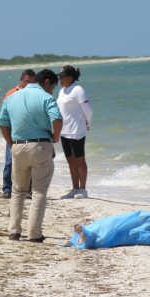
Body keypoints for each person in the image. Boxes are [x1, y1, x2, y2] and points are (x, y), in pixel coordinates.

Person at [0, 69, 62, 243]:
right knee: (39, 191)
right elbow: (57, 119)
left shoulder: (12, 96)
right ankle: (34, 233)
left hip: (18, 146)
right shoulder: (46, 98)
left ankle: (14, 231)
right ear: (47, 82)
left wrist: (11, 143)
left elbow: (2, 124)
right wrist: (55, 137)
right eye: (53, 87)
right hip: (40, 145)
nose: (52, 91)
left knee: (18, 190)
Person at [57, 65, 93, 200]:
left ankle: (83, 190)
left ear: (70, 78)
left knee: (79, 160)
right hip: (64, 131)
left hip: (77, 131)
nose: (59, 79)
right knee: (70, 161)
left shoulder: (78, 90)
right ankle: (74, 188)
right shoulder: (62, 91)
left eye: (61, 77)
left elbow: (88, 110)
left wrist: (88, 123)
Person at [2, 69, 36, 199]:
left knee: (30, 162)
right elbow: (4, 115)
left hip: (30, 132)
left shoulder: (36, 94)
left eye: (32, 82)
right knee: (10, 162)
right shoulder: (11, 93)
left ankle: (28, 190)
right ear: (21, 80)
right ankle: (7, 189)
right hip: (13, 132)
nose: (29, 84)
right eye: (27, 81)